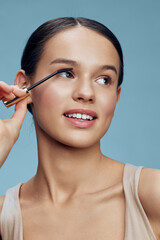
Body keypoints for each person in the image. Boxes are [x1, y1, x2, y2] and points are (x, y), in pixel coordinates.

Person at [0, 17, 159, 240]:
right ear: (24, 86)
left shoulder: (152, 195)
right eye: (66, 73)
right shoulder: (4, 218)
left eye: (104, 80)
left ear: (116, 96)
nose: (86, 92)